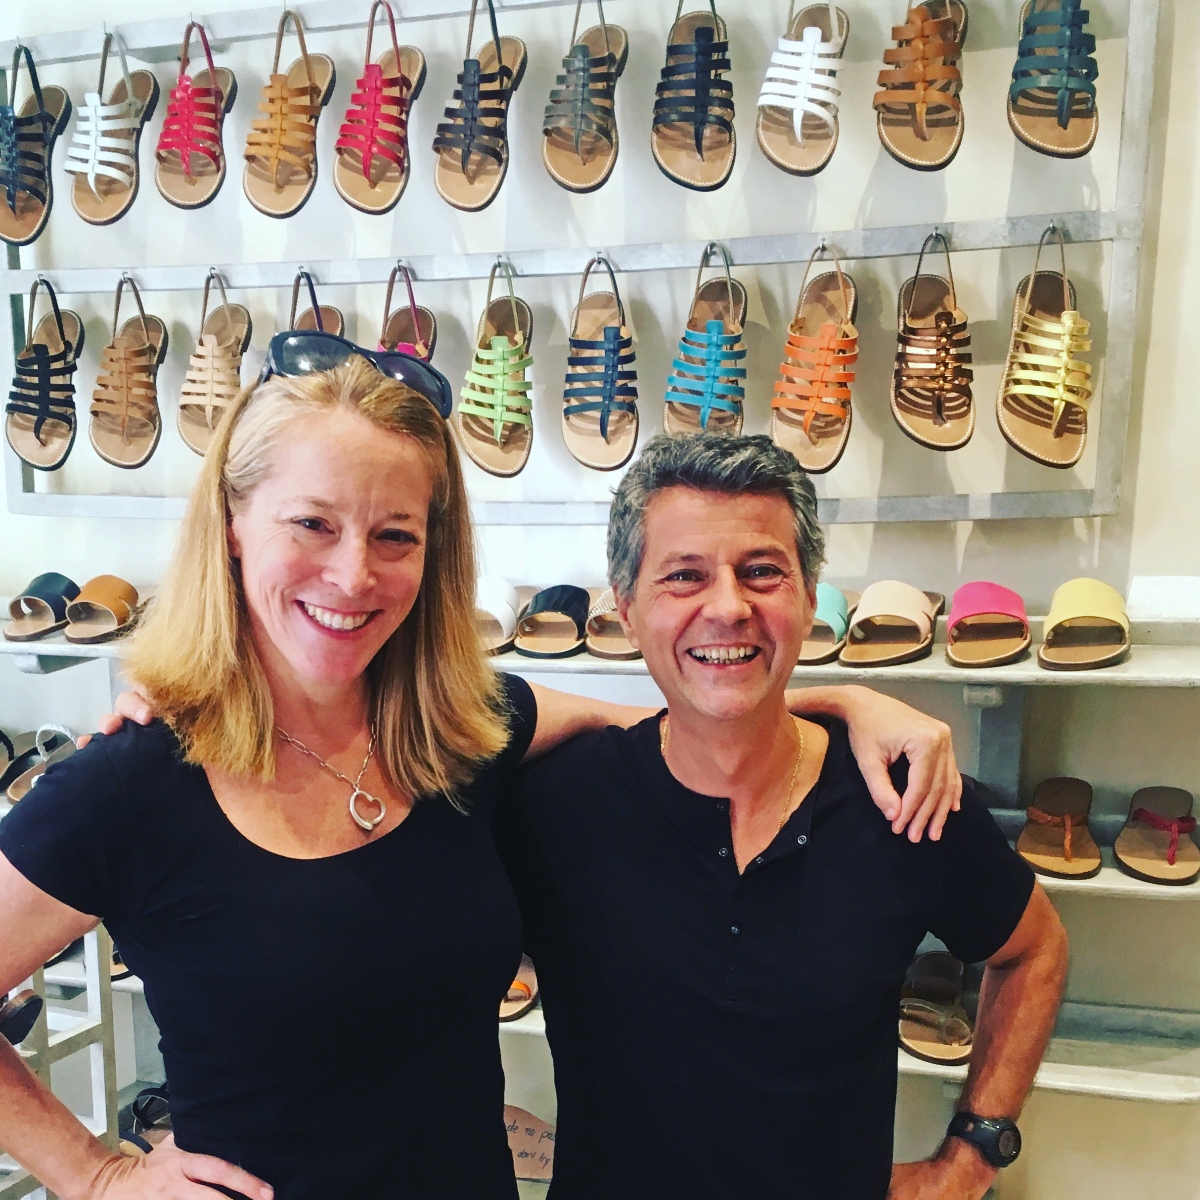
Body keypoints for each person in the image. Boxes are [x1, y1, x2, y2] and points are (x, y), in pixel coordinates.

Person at [0, 353, 960, 1200]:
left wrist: (846, 706)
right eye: (313, 524)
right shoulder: (133, 782)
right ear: (234, 525)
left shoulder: (466, 729)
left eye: (394, 537)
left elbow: (695, 717)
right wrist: (93, 1174)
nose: (351, 576)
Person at [494, 433, 1069, 1200]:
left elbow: (1035, 950)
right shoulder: (552, 807)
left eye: (762, 571)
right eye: (684, 576)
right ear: (627, 610)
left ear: (807, 594)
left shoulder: (901, 798)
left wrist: (970, 1159)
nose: (728, 606)